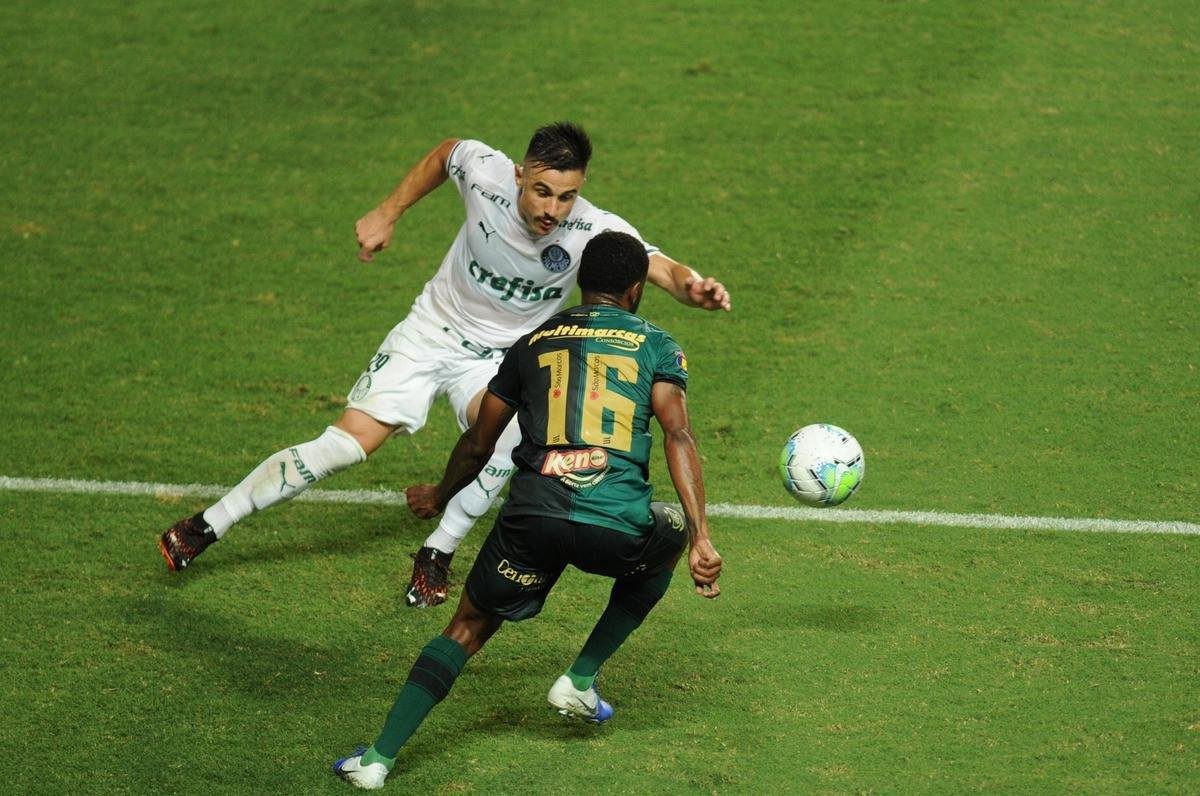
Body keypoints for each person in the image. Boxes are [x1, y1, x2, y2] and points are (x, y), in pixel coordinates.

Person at [157, 122, 730, 607]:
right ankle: (210, 523)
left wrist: (694, 287)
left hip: (501, 362)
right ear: (518, 176)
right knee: (345, 446)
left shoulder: (591, 227)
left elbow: (657, 266)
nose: (552, 209)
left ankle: (437, 550)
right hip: (430, 333)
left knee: (508, 443)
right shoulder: (484, 172)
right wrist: (388, 212)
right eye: (542, 191)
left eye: (566, 195)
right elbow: (444, 153)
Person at [332, 230, 722, 790]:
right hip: (614, 529)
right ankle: (580, 679)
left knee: (465, 627)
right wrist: (702, 536)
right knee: (672, 533)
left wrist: (440, 496)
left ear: (583, 282)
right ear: (637, 290)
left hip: (530, 522)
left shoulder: (533, 342)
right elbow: (678, 434)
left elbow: (478, 442)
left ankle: (376, 760)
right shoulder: (656, 344)